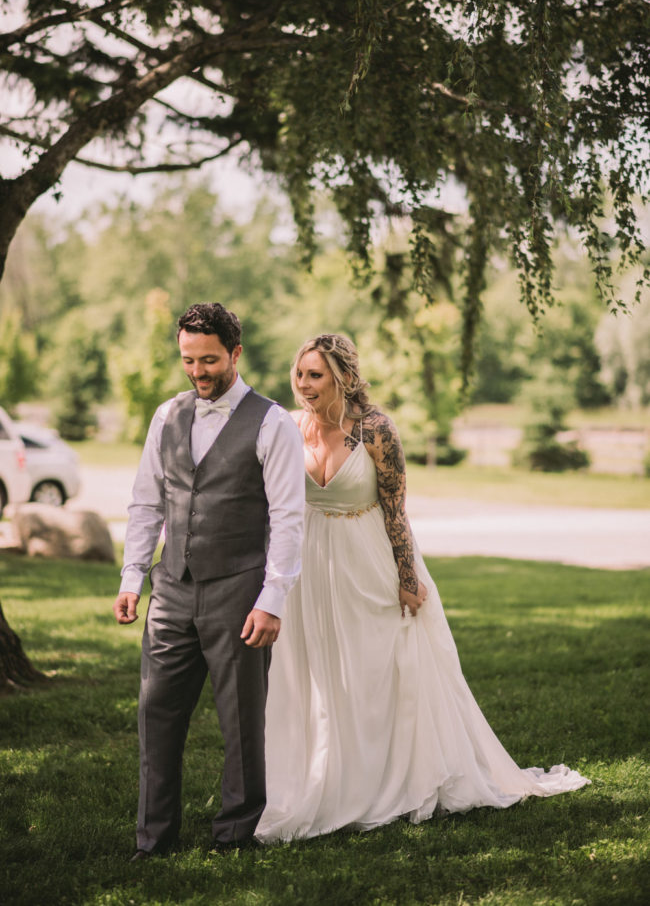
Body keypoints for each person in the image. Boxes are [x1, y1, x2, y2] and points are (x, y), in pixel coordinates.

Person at [255, 333, 589, 843]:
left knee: (376, 671)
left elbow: (396, 509)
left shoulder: (376, 430)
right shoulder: (289, 426)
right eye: (299, 373)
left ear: (342, 377)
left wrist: (407, 580)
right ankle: (323, 776)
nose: (303, 384)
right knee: (317, 673)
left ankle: (382, 780)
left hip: (366, 562)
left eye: (315, 375)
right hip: (309, 568)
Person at [112, 302, 304, 858]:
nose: (198, 372)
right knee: (156, 713)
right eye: (189, 360)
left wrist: (273, 600)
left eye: (210, 361)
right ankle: (154, 838)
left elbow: (289, 519)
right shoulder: (165, 416)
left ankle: (234, 837)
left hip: (239, 592)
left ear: (236, 353)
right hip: (170, 590)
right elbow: (146, 503)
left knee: (241, 721)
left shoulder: (271, 423)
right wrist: (132, 577)